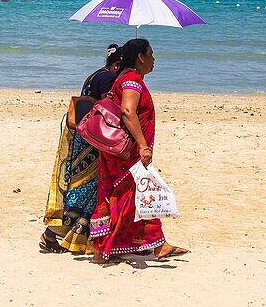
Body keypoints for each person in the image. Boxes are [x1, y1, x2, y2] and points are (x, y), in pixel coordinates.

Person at [89, 39, 189, 263]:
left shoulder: (123, 78)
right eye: (151, 54)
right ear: (140, 58)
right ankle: (113, 249)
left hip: (118, 152)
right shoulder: (132, 81)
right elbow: (127, 111)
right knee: (133, 195)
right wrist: (143, 145)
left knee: (127, 196)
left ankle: (111, 248)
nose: (154, 59)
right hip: (128, 153)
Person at [41, 44, 122, 255]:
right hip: (91, 137)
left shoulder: (95, 75)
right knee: (86, 186)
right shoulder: (107, 79)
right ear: (117, 65)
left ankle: (68, 235)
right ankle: (52, 234)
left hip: (81, 133)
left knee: (79, 184)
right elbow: (107, 108)